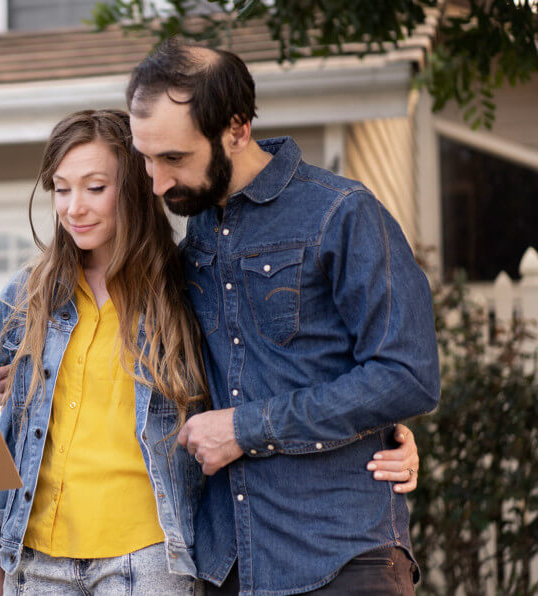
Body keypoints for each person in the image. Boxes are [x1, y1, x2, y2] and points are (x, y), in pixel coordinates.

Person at [0, 110, 422, 595]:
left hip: (148, 558)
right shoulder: (25, 300)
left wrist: (386, 431)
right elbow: (16, 436)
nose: (74, 207)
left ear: (134, 188)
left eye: (95, 188)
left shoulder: (186, 287)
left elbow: (253, 373)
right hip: (39, 562)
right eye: (61, 189)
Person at [126, 39, 440, 595]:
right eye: (146, 158)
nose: (157, 182)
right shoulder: (195, 235)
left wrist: (245, 429)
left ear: (237, 129)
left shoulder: (342, 213)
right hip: (228, 566)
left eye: (174, 158)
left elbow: (406, 375)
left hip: (340, 556)